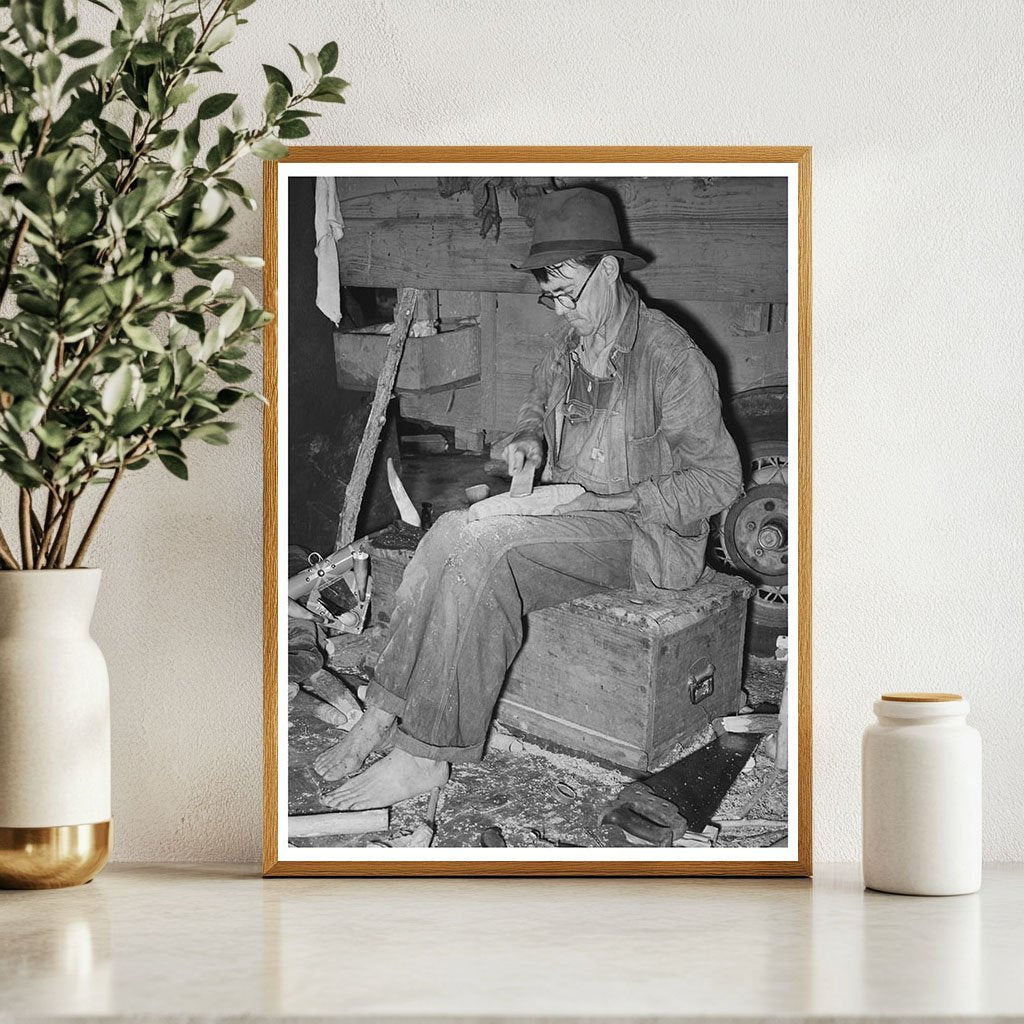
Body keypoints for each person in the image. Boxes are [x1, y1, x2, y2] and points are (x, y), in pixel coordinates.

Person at [316, 187, 742, 811]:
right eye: (550, 294)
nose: (562, 308)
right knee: (450, 533)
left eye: (569, 290)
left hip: (640, 536)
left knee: (488, 551)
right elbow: (533, 411)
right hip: (565, 514)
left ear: (611, 270)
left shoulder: (671, 358)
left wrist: (608, 501)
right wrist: (527, 443)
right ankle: (385, 711)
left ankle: (426, 755)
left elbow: (719, 481)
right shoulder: (567, 348)